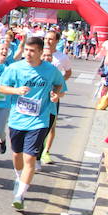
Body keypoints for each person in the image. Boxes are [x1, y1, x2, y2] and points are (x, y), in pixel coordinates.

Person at [0, 37, 65, 210]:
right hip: (17, 119)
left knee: (30, 158)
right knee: (17, 155)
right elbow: (1, 88)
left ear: (41, 52)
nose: (28, 53)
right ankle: (19, 177)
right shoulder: (15, 68)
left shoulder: (50, 70)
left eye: (32, 50)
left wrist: (56, 95)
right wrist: (16, 90)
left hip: (39, 120)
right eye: (26, 50)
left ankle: (20, 195)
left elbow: (60, 86)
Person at [41, 29, 72, 165]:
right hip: (39, 94)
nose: (48, 41)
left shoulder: (62, 57)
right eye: (46, 38)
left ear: (57, 41)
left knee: (52, 125)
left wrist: (59, 85)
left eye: (51, 39)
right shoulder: (39, 52)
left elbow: (68, 72)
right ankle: (37, 149)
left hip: (53, 95)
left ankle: (46, 151)